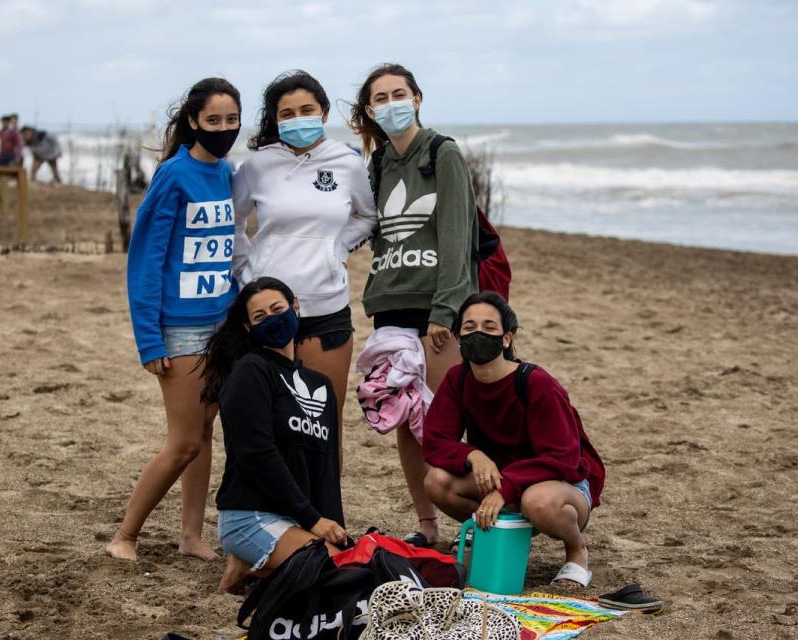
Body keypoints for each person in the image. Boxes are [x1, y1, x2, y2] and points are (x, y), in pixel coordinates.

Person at [105, 77, 243, 562]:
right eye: (213, 121)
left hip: (223, 325)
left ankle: (190, 536)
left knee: (206, 432)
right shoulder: (173, 175)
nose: (223, 129)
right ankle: (125, 535)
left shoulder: (226, 171)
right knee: (184, 440)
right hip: (180, 328)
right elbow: (144, 260)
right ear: (192, 122)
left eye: (231, 121)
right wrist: (149, 339)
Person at [349, 63, 478, 547]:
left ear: (418, 98)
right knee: (406, 418)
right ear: (369, 110)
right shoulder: (378, 164)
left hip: (437, 308)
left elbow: (455, 233)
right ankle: (427, 525)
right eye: (379, 98)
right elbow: (370, 231)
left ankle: (474, 521)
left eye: (398, 94)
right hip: (390, 305)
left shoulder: (443, 153)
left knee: (449, 419)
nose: (390, 105)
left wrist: (446, 311)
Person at [232, 71, 377, 459]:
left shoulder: (347, 163)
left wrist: (337, 249)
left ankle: (326, 514)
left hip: (325, 308)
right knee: (273, 421)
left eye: (307, 110)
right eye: (287, 113)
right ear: (276, 120)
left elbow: (367, 217)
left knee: (323, 424)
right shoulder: (256, 166)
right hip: (266, 312)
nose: (298, 118)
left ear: (324, 112)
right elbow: (232, 222)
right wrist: (249, 274)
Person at [422, 292, 606, 587]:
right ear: (458, 337)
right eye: (469, 328)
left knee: (538, 502)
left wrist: (506, 488)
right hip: (502, 480)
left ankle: (576, 550)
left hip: (561, 485)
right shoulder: (458, 379)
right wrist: (474, 455)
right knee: (436, 481)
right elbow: (434, 440)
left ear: (507, 338)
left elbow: (564, 459)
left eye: (489, 327)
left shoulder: (536, 382)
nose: (478, 333)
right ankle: (496, 530)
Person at [199, 277, 346, 591]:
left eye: (278, 309)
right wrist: (312, 520)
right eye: (260, 317)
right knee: (336, 575)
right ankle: (252, 559)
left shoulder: (320, 384)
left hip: (300, 518)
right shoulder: (251, 371)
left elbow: (326, 466)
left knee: (348, 563)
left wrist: (332, 527)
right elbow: (257, 454)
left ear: (295, 307)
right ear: (248, 328)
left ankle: (249, 567)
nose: (272, 319)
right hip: (251, 514)